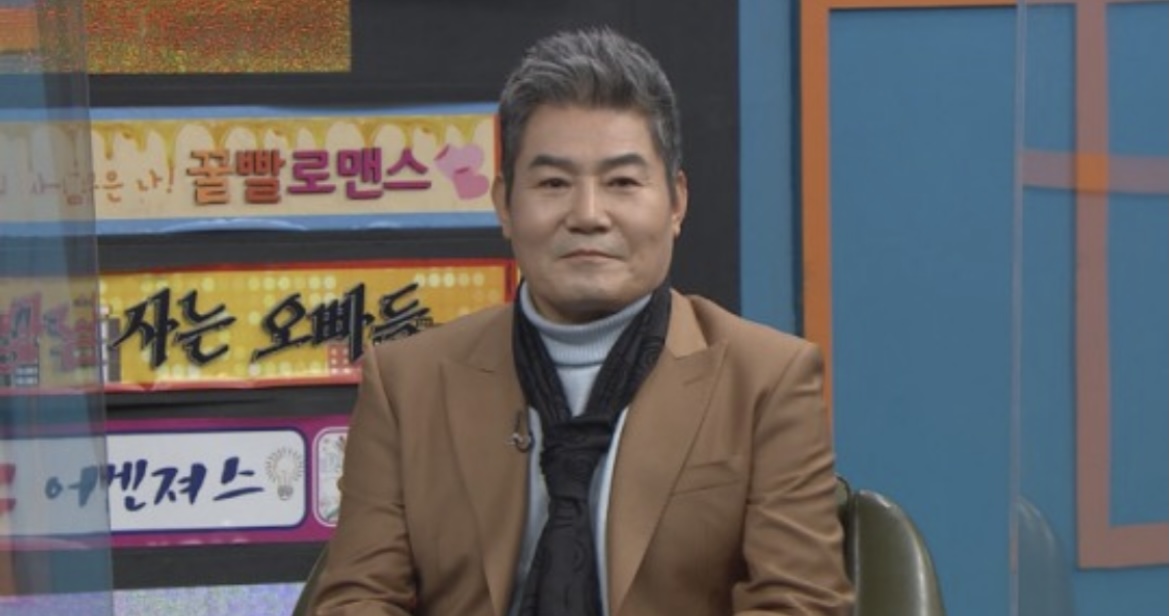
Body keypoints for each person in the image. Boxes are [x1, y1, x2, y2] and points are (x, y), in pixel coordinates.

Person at [309, 27, 853, 616]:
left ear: (676, 202)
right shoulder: (405, 384)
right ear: (504, 205)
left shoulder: (768, 381)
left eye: (622, 183)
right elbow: (358, 598)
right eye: (553, 183)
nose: (588, 215)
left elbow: (801, 604)